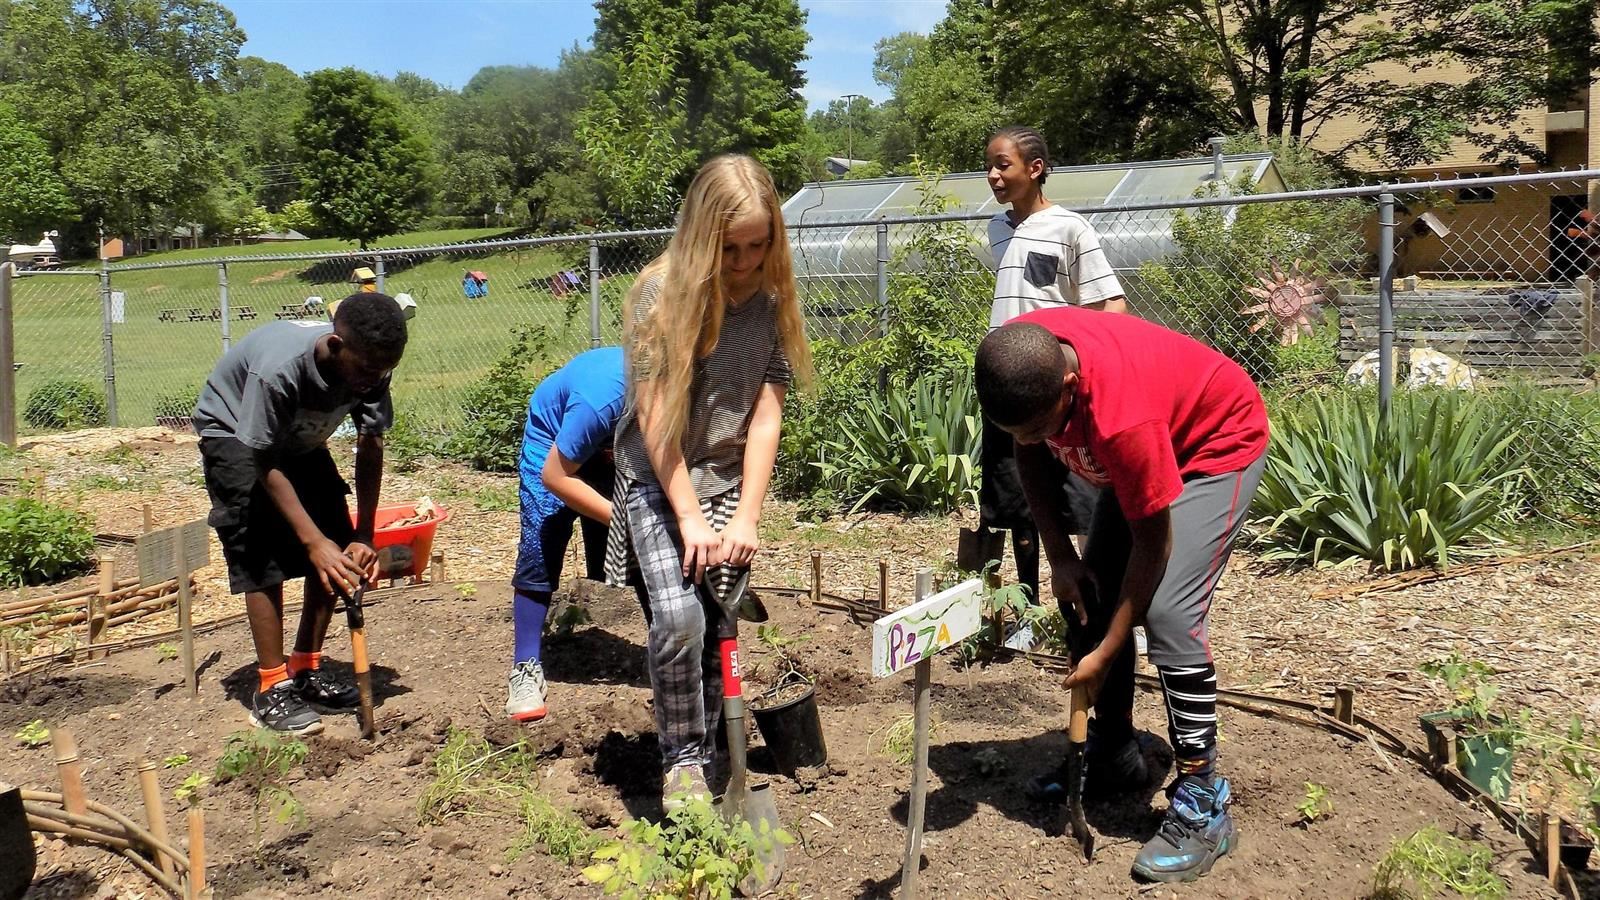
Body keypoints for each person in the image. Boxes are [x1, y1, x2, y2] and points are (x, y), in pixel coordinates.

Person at [974, 309, 1268, 884]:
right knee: (1090, 590)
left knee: (1169, 612)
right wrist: (1061, 556)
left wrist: (1107, 650)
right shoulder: (1021, 359)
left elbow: (1152, 546)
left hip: (1213, 446)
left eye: (1040, 428)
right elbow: (1026, 450)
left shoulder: (1120, 417)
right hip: (1147, 445)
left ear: (1069, 386)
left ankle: (1204, 803)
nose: (1031, 441)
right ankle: (1112, 756)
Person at [604, 154, 812, 810]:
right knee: (675, 615)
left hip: (725, 478)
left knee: (716, 615)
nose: (746, 260)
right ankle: (684, 760)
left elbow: (766, 416)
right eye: (731, 248)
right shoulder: (657, 296)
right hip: (656, 479)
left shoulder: (772, 300)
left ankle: (721, 739)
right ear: (701, 236)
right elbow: (655, 424)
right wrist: (690, 518)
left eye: (759, 245)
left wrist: (747, 515)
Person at [193, 292, 410, 734]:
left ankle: (305, 668)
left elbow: (370, 445)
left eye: (385, 370)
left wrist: (363, 534)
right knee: (261, 554)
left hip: (298, 439)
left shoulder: (374, 366)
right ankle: (271, 688)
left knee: (337, 546)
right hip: (236, 435)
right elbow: (263, 458)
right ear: (334, 346)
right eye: (366, 370)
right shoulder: (279, 371)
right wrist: (312, 543)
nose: (374, 380)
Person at [981, 125, 1126, 641]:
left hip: (1057, 389)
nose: (994, 175)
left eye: (1004, 165)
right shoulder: (997, 230)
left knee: (1083, 500)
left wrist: (1096, 373)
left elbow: (1109, 304)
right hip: (1009, 383)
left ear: (1034, 169)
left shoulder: (1069, 229)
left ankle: (1102, 606)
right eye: (991, 166)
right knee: (1017, 498)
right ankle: (1025, 614)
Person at [506, 346, 626, 722]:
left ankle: (670, 652)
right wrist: (626, 521)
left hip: (610, 449)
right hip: (553, 444)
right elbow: (555, 476)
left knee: (636, 552)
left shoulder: (681, 393)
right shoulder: (602, 399)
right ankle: (524, 667)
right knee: (541, 545)